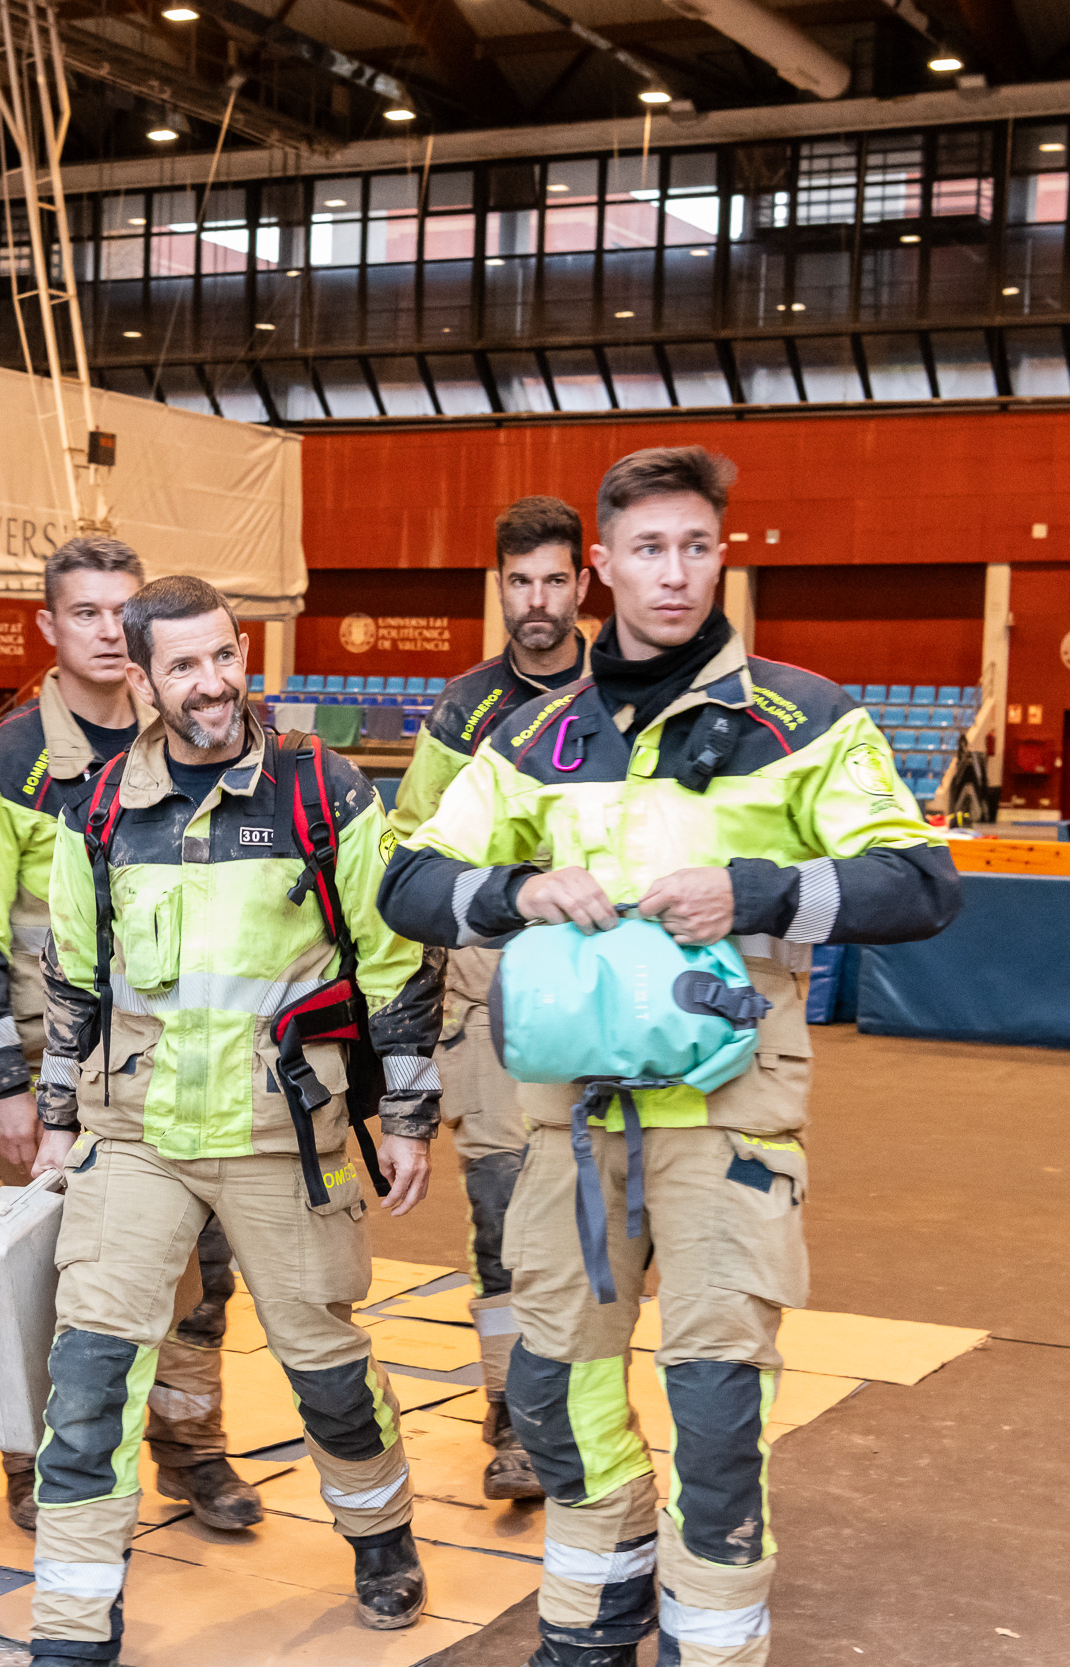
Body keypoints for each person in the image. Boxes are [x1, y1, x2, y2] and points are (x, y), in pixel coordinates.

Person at [378, 447, 961, 1667]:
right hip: (568, 1129)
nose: (676, 573)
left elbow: (919, 883)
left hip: (727, 1126)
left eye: (697, 546)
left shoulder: (801, 722)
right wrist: (521, 885)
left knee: (714, 1408)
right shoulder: (533, 738)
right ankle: (596, 1611)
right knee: (549, 1390)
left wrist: (754, 886)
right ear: (602, 565)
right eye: (648, 549)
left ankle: (712, 1641)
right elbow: (407, 878)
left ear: (720, 554)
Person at [25, 575, 446, 1657]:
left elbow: (394, 956)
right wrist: (58, 1116)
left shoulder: (324, 789)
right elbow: (74, 974)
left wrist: (405, 1107)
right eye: (183, 666)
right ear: (142, 675)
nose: (211, 683)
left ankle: (381, 1534)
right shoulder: (102, 807)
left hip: (281, 1139)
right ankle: (72, 1624)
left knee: (327, 1372)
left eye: (224, 656)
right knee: (88, 1375)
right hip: (137, 1139)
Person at [0, 537, 259, 1536]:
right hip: (55, 1079)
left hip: (182, 1067)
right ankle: (35, 1457)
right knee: (49, 1265)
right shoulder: (7, 763)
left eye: (123, 611)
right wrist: (1, 1086)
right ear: (47, 626)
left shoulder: (187, 739)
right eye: (84, 612)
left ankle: (190, 1446)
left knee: (199, 1273)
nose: (107, 630)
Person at [388, 494, 595, 1504]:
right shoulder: (463, 710)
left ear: (583, 585)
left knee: (598, 1215)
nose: (537, 601)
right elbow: (415, 865)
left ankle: (587, 1408)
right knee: (502, 1215)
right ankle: (512, 1414)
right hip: (493, 993)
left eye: (554, 579)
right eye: (519, 581)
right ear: (498, 587)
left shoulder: (624, 691)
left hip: (605, 991)